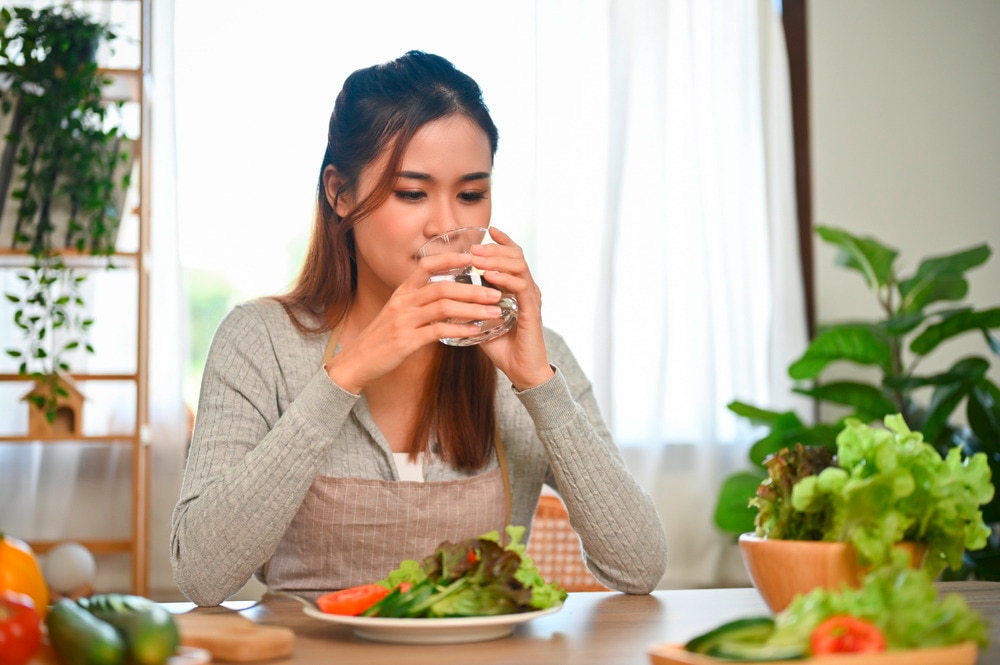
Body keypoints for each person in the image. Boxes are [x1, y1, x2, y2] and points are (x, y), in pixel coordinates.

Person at [170, 50, 667, 606]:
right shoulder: (260, 341)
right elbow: (202, 576)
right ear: (340, 193)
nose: (448, 225)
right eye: (412, 193)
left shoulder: (531, 354)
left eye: (471, 194)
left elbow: (639, 565)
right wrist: (346, 374)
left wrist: (538, 384)